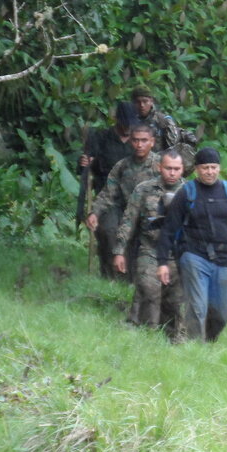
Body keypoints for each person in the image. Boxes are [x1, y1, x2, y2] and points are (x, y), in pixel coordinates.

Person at [156, 148, 227, 342]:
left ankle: (208, 343)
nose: (210, 172)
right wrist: (162, 262)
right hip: (193, 255)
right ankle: (196, 349)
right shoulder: (187, 193)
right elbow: (169, 229)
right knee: (197, 307)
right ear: (196, 169)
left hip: (223, 258)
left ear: (219, 168)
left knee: (221, 313)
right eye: (205, 168)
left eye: (213, 167)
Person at [112, 150, 186, 340]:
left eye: (176, 169)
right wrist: (119, 250)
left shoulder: (190, 192)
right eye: (168, 168)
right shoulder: (144, 189)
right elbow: (129, 220)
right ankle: (145, 333)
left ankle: (173, 338)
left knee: (175, 302)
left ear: (182, 170)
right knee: (149, 288)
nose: (172, 173)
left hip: (178, 254)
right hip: (150, 249)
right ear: (159, 167)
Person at [86, 124, 161, 289]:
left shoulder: (161, 166)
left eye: (144, 141)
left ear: (152, 142)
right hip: (126, 212)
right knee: (108, 230)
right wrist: (95, 213)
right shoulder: (122, 166)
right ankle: (114, 282)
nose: (139, 145)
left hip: (153, 216)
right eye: (135, 141)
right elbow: (108, 193)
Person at [78, 101, 136, 277]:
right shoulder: (101, 137)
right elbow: (87, 167)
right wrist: (84, 163)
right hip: (107, 194)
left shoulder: (139, 140)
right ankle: (110, 276)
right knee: (109, 232)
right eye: (125, 123)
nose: (128, 128)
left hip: (133, 195)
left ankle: (129, 277)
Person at [130, 85, 198, 166]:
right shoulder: (128, 122)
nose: (142, 105)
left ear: (151, 101)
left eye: (145, 101)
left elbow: (174, 146)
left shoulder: (163, 121)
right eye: (138, 102)